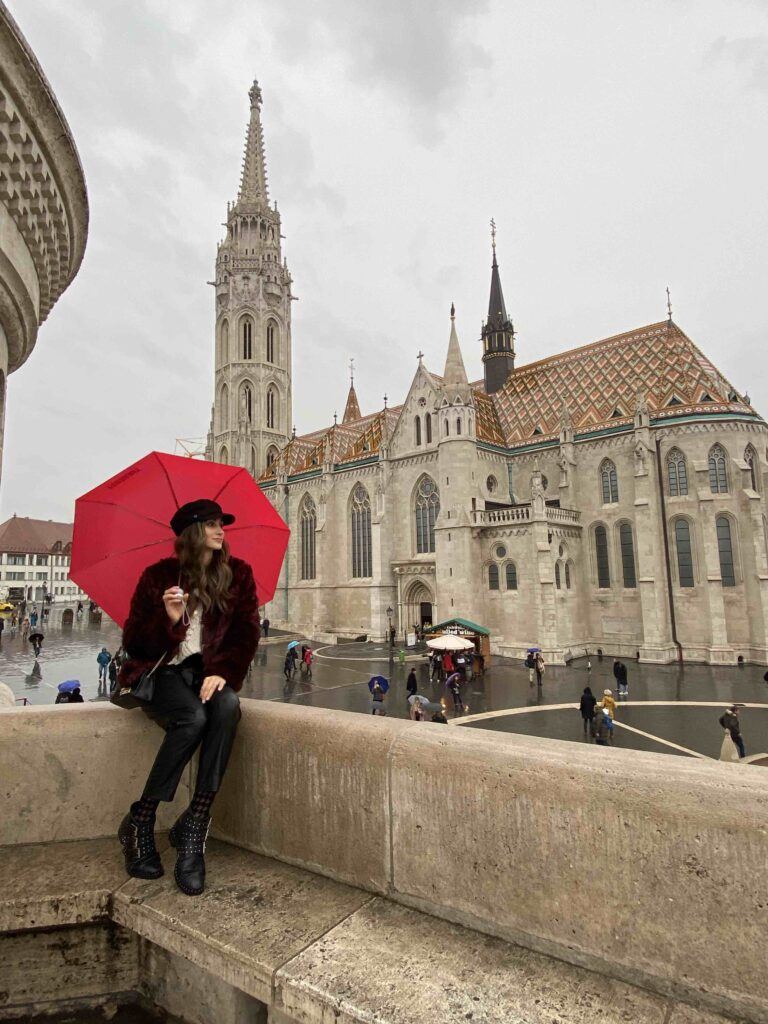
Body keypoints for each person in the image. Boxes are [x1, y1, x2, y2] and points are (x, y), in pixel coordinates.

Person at [116, 498, 259, 897]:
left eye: (222, 525)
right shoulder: (158, 577)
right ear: (192, 533)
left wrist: (222, 672)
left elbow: (247, 632)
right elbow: (134, 644)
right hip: (161, 673)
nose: (221, 531)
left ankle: (195, 823)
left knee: (228, 706)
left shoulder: (237, 575)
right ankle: (142, 818)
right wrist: (169, 619)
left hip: (205, 672)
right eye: (212, 524)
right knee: (193, 719)